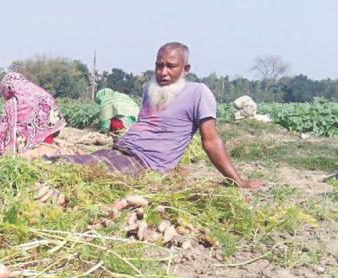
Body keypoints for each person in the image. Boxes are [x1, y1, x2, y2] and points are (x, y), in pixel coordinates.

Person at [56, 42, 264, 189]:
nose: (163, 72)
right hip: (121, 150)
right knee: (67, 161)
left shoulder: (198, 92)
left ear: (185, 69)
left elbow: (210, 141)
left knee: (71, 168)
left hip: (144, 163)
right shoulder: (150, 89)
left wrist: (239, 181)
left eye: (171, 66)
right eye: (159, 65)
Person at [0, 72, 65, 164]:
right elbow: (56, 129)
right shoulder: (44, 94)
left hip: (24, 146)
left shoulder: (12, 103)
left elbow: (1, 136)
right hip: (48, 142)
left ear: (7, 89)